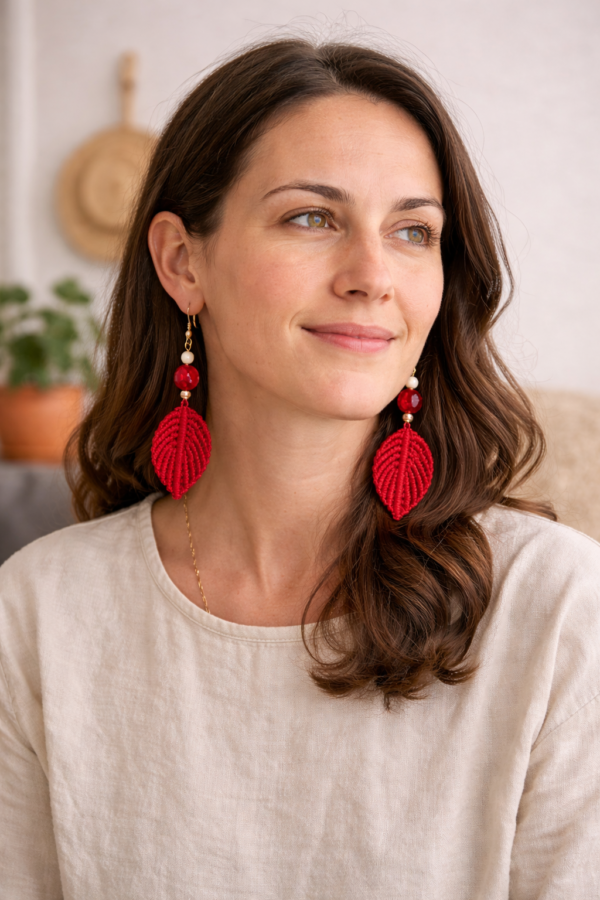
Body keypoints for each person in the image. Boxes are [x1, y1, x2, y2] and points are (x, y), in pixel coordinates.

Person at [1, 38, 599, 900]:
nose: (372, 275)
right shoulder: (38, 616)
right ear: (182, 262)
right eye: (311, 217)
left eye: (413, 231)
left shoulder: (558, 614)